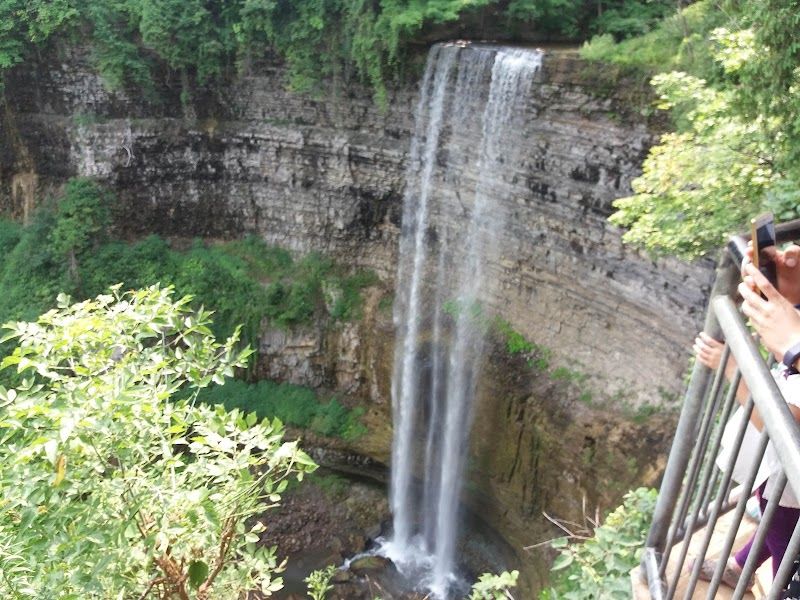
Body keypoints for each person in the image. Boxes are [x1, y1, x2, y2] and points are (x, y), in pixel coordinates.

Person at [691, 245, 800, 591]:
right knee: (774, 516)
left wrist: (738, 368)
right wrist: (793, 299)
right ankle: (740, 565)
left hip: (789, 480)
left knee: (784, 531)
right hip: (780, 480)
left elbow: (779, 428)